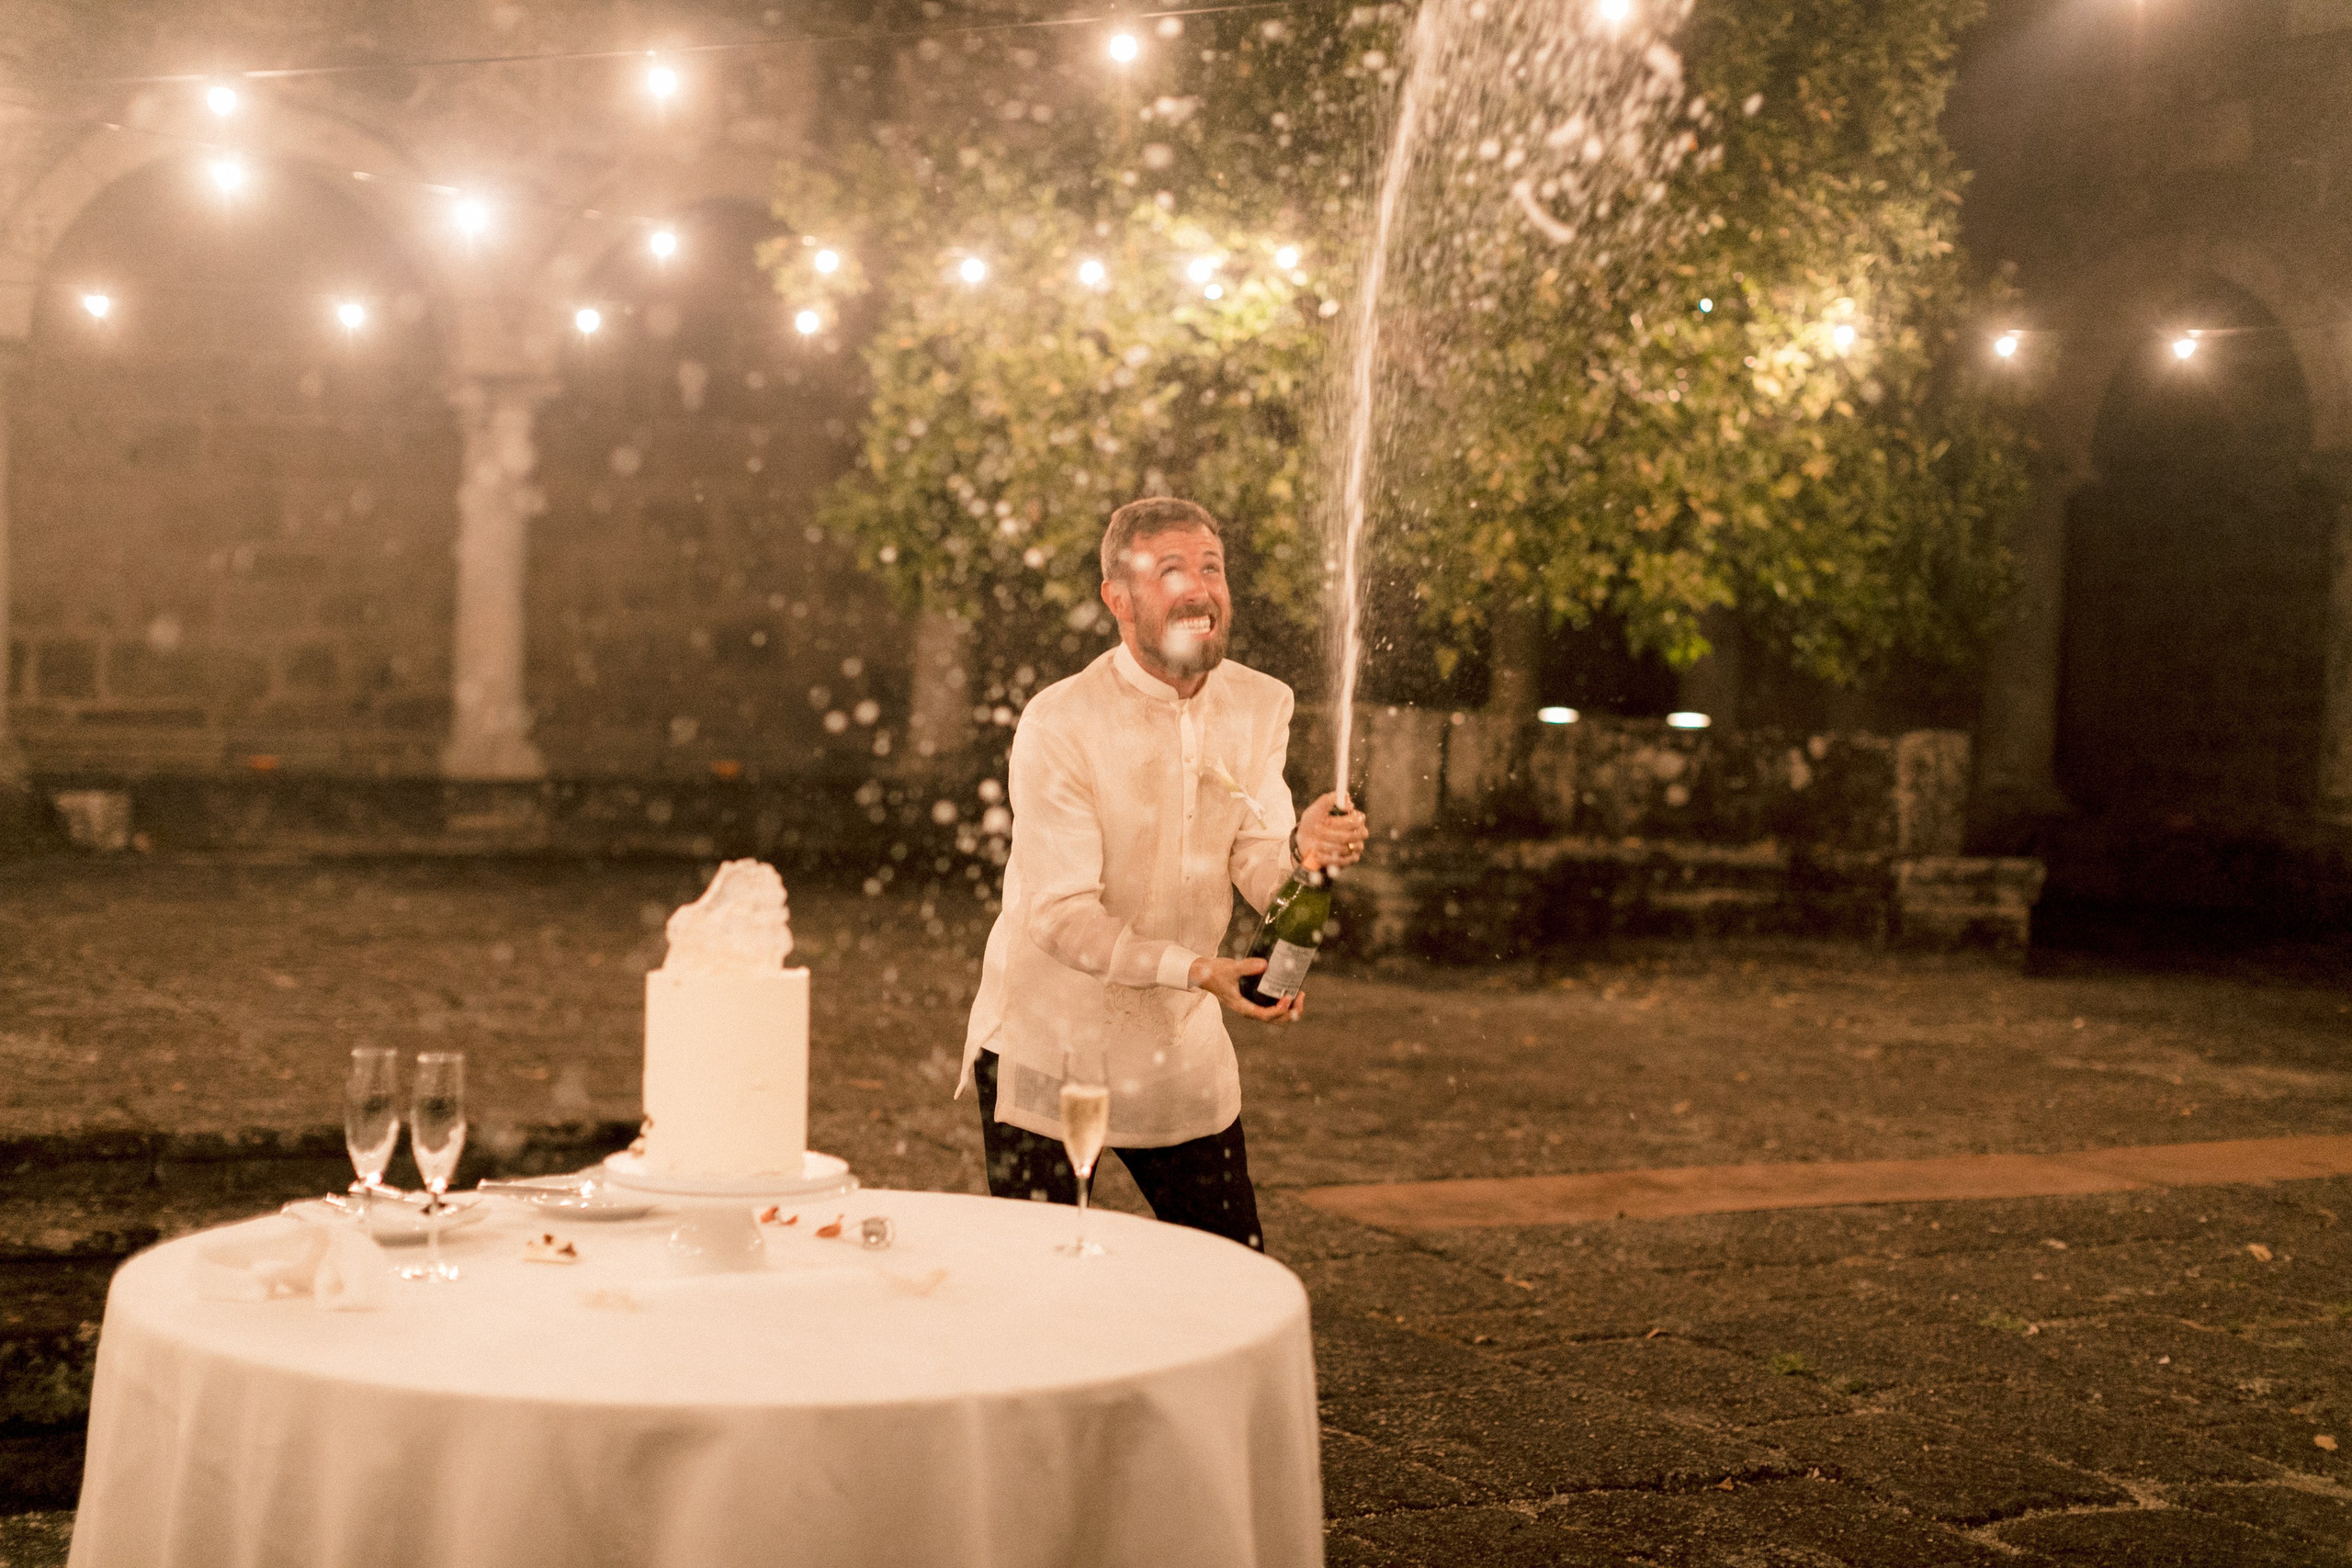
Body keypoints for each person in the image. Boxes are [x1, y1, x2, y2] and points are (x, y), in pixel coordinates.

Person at [956, 497, 1369, 1250]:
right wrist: (1197, 967)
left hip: (1179, 1047)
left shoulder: (1258, 703)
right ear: (1117, 599)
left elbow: (1254, 851)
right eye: (1169, 570)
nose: (1198, 588)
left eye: (1210, 567)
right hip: (1051, 1043)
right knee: (1040, 1283)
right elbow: (1059, 913)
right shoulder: (1061, 722)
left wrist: (1303, 849)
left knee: (1234, 1267)